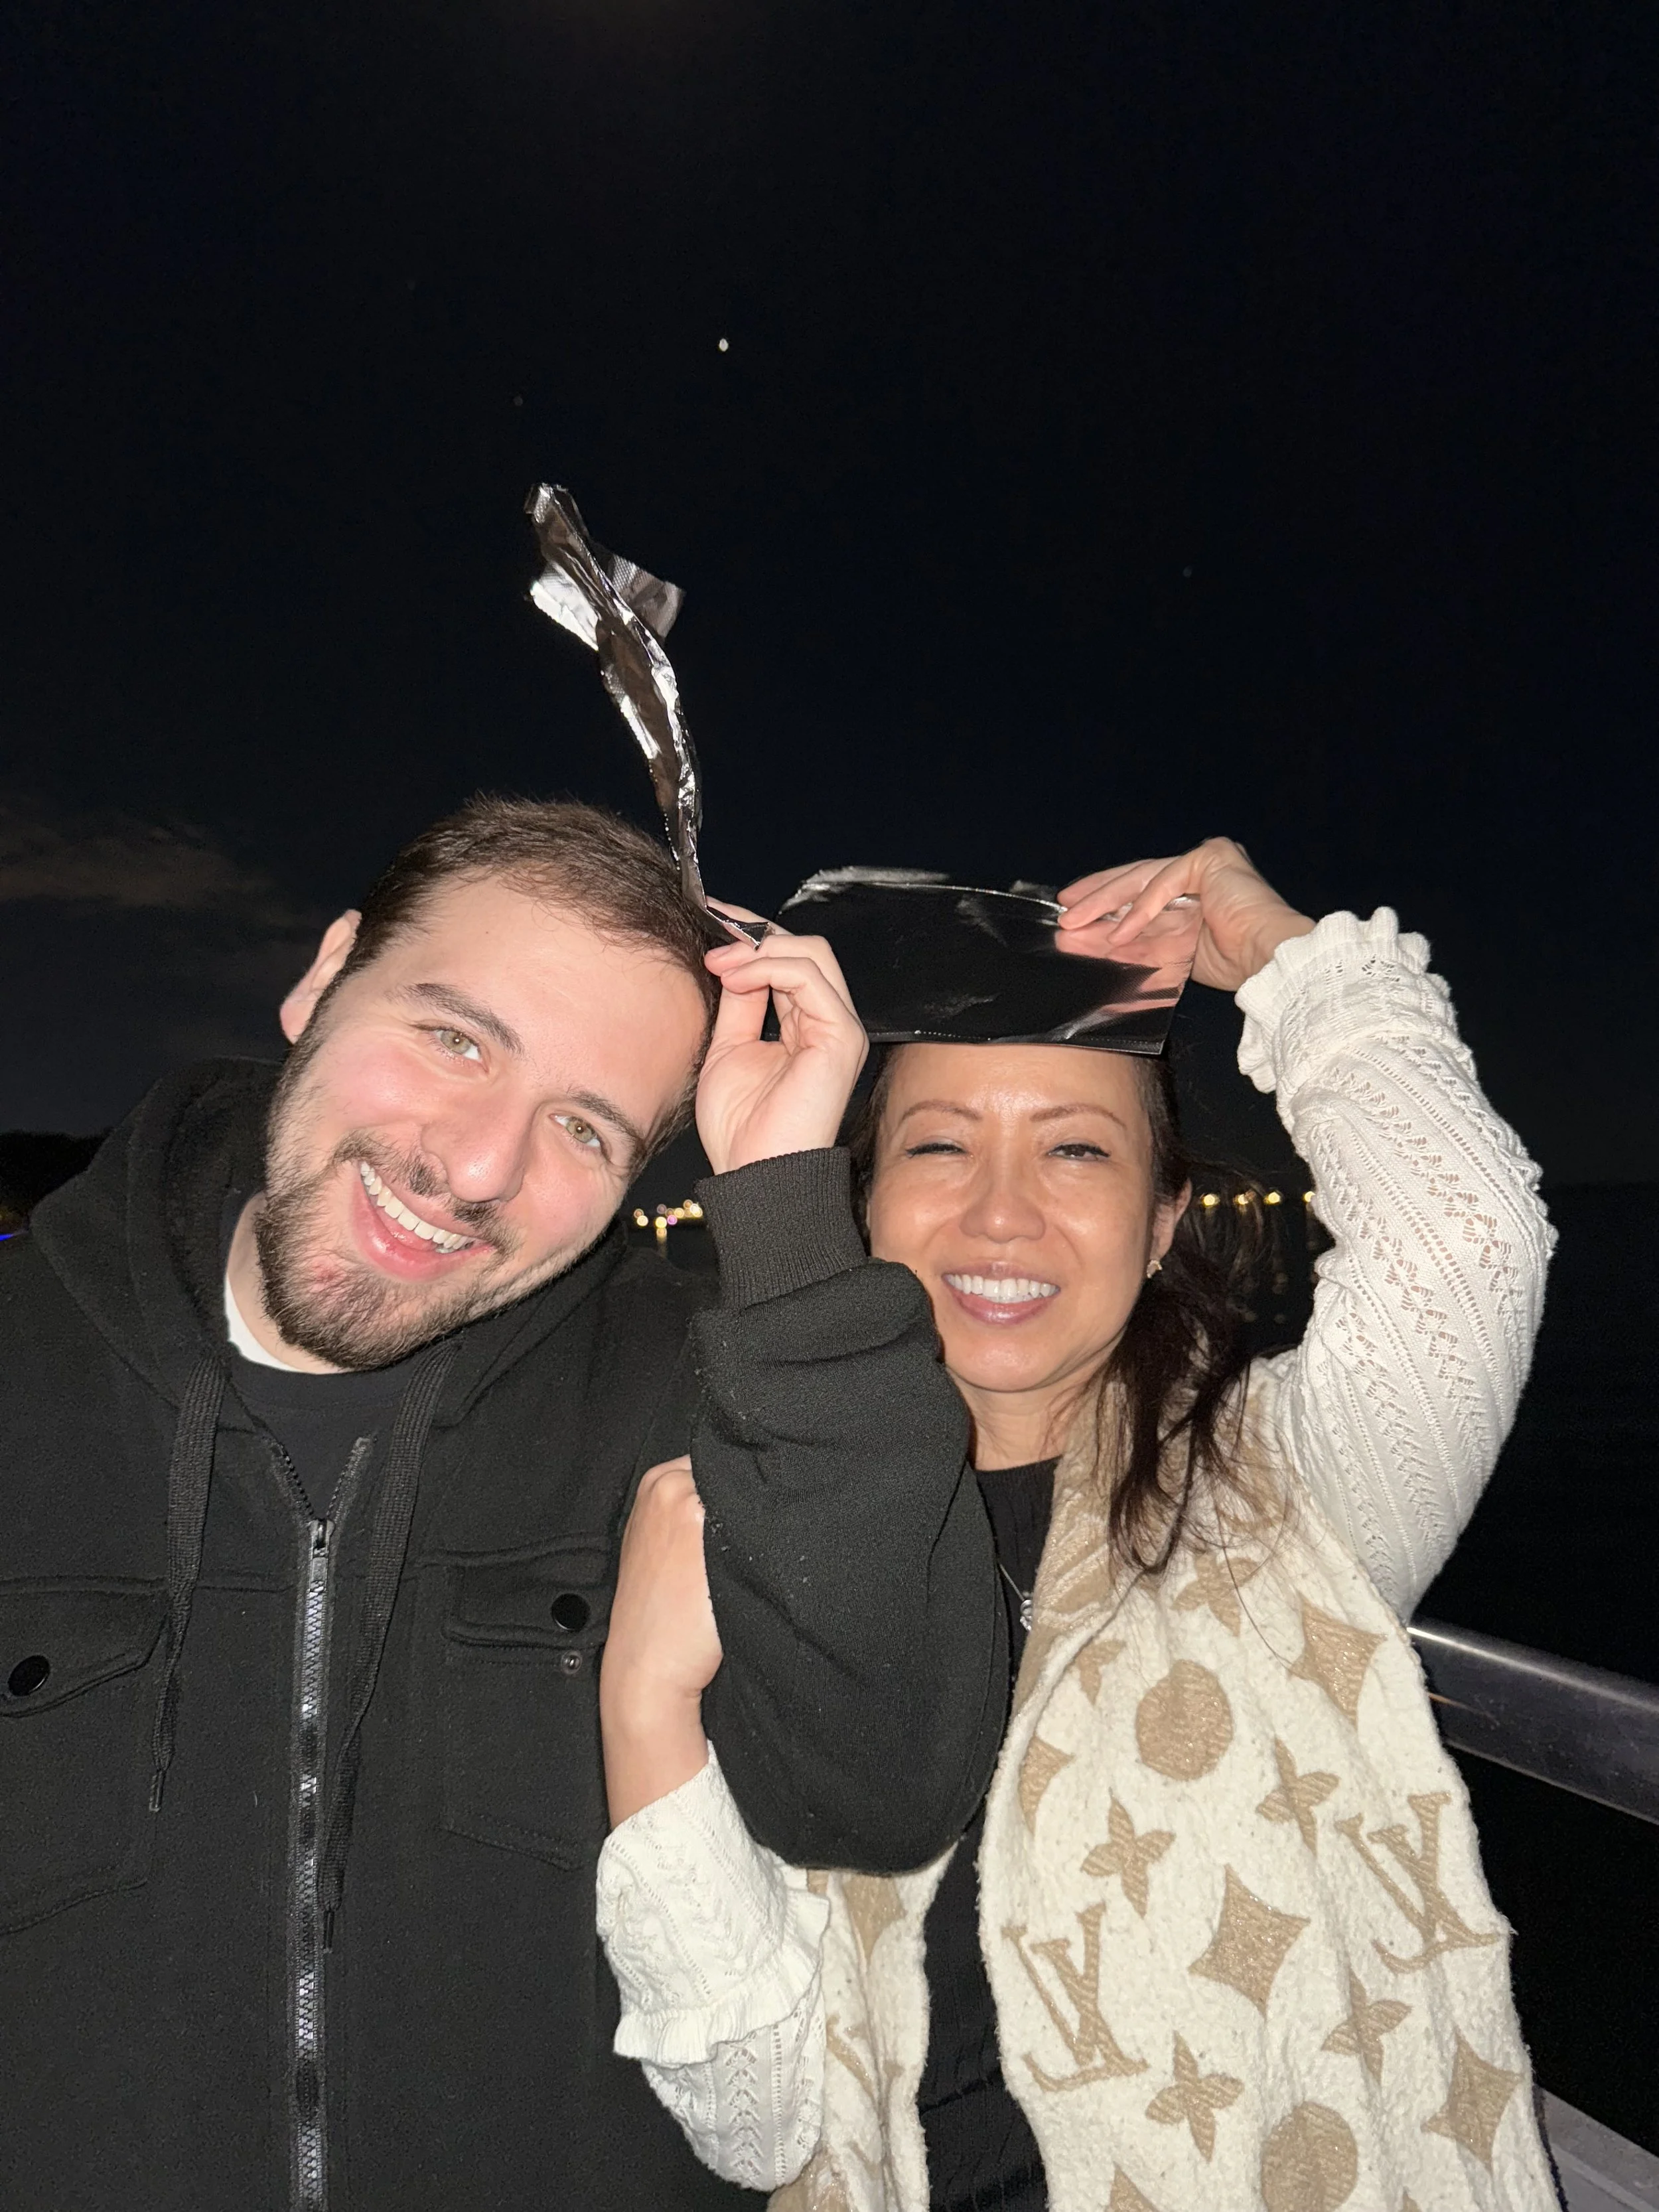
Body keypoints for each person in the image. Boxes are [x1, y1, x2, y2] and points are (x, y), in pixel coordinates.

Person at [0, 794, 1006, 2211]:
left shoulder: (697, 1406)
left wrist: (784, 1200)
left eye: (586, 1131)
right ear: (324, 975)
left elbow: (883, 1784)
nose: (475, 1169)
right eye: (453, 1038)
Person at [595, 837, 1562, 2211]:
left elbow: (1462, 1244)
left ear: (1162, 1220)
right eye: (937, 1145)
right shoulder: (748, 1532)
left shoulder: (1289, 1490)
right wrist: (646, 1703)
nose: (1001, 1212)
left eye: (1075, 1151)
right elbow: (755, 2123)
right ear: (856, 1198)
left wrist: (1283, 957)